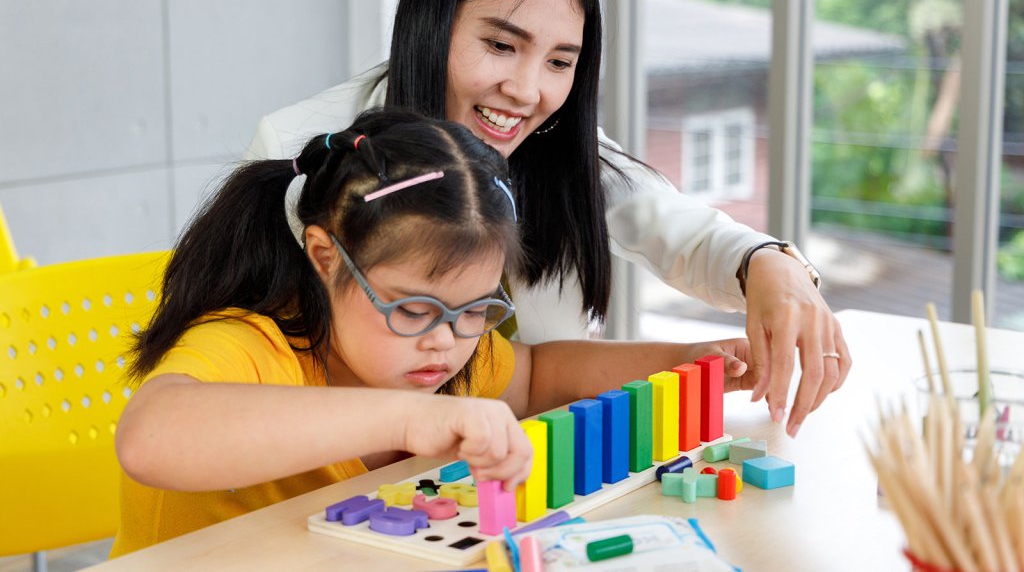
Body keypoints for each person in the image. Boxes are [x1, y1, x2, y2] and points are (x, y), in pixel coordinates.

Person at [246, 0, 850, 438]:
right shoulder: (306, 149)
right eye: (501, 45)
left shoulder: (560, 148)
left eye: (560, 62)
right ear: (431, 24)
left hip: (533, 471)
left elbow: (686, 232)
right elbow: (252, 386)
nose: (526, 90)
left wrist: (771, 265)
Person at [111, 109, 754, 556]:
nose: (446, 341)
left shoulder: (447, 345)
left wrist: (689, 357)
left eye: (475, 310)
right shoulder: (252, 342)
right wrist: (403, 419)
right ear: (325, 255)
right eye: (412, 309)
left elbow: (535, 377)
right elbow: (149, 437)